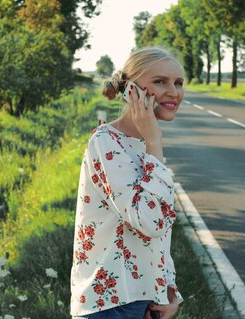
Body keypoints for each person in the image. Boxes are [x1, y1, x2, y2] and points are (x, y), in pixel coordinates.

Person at [70, 46, 185, 319]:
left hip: (146, 300)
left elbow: (160, 229)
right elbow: (150, 220)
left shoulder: (144, 144)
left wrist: (168, 290)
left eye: (178, 83)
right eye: (160, 81)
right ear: (131, 90)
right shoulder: (105, 142)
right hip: (110, 305)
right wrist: (155, 142)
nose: (173, 92)